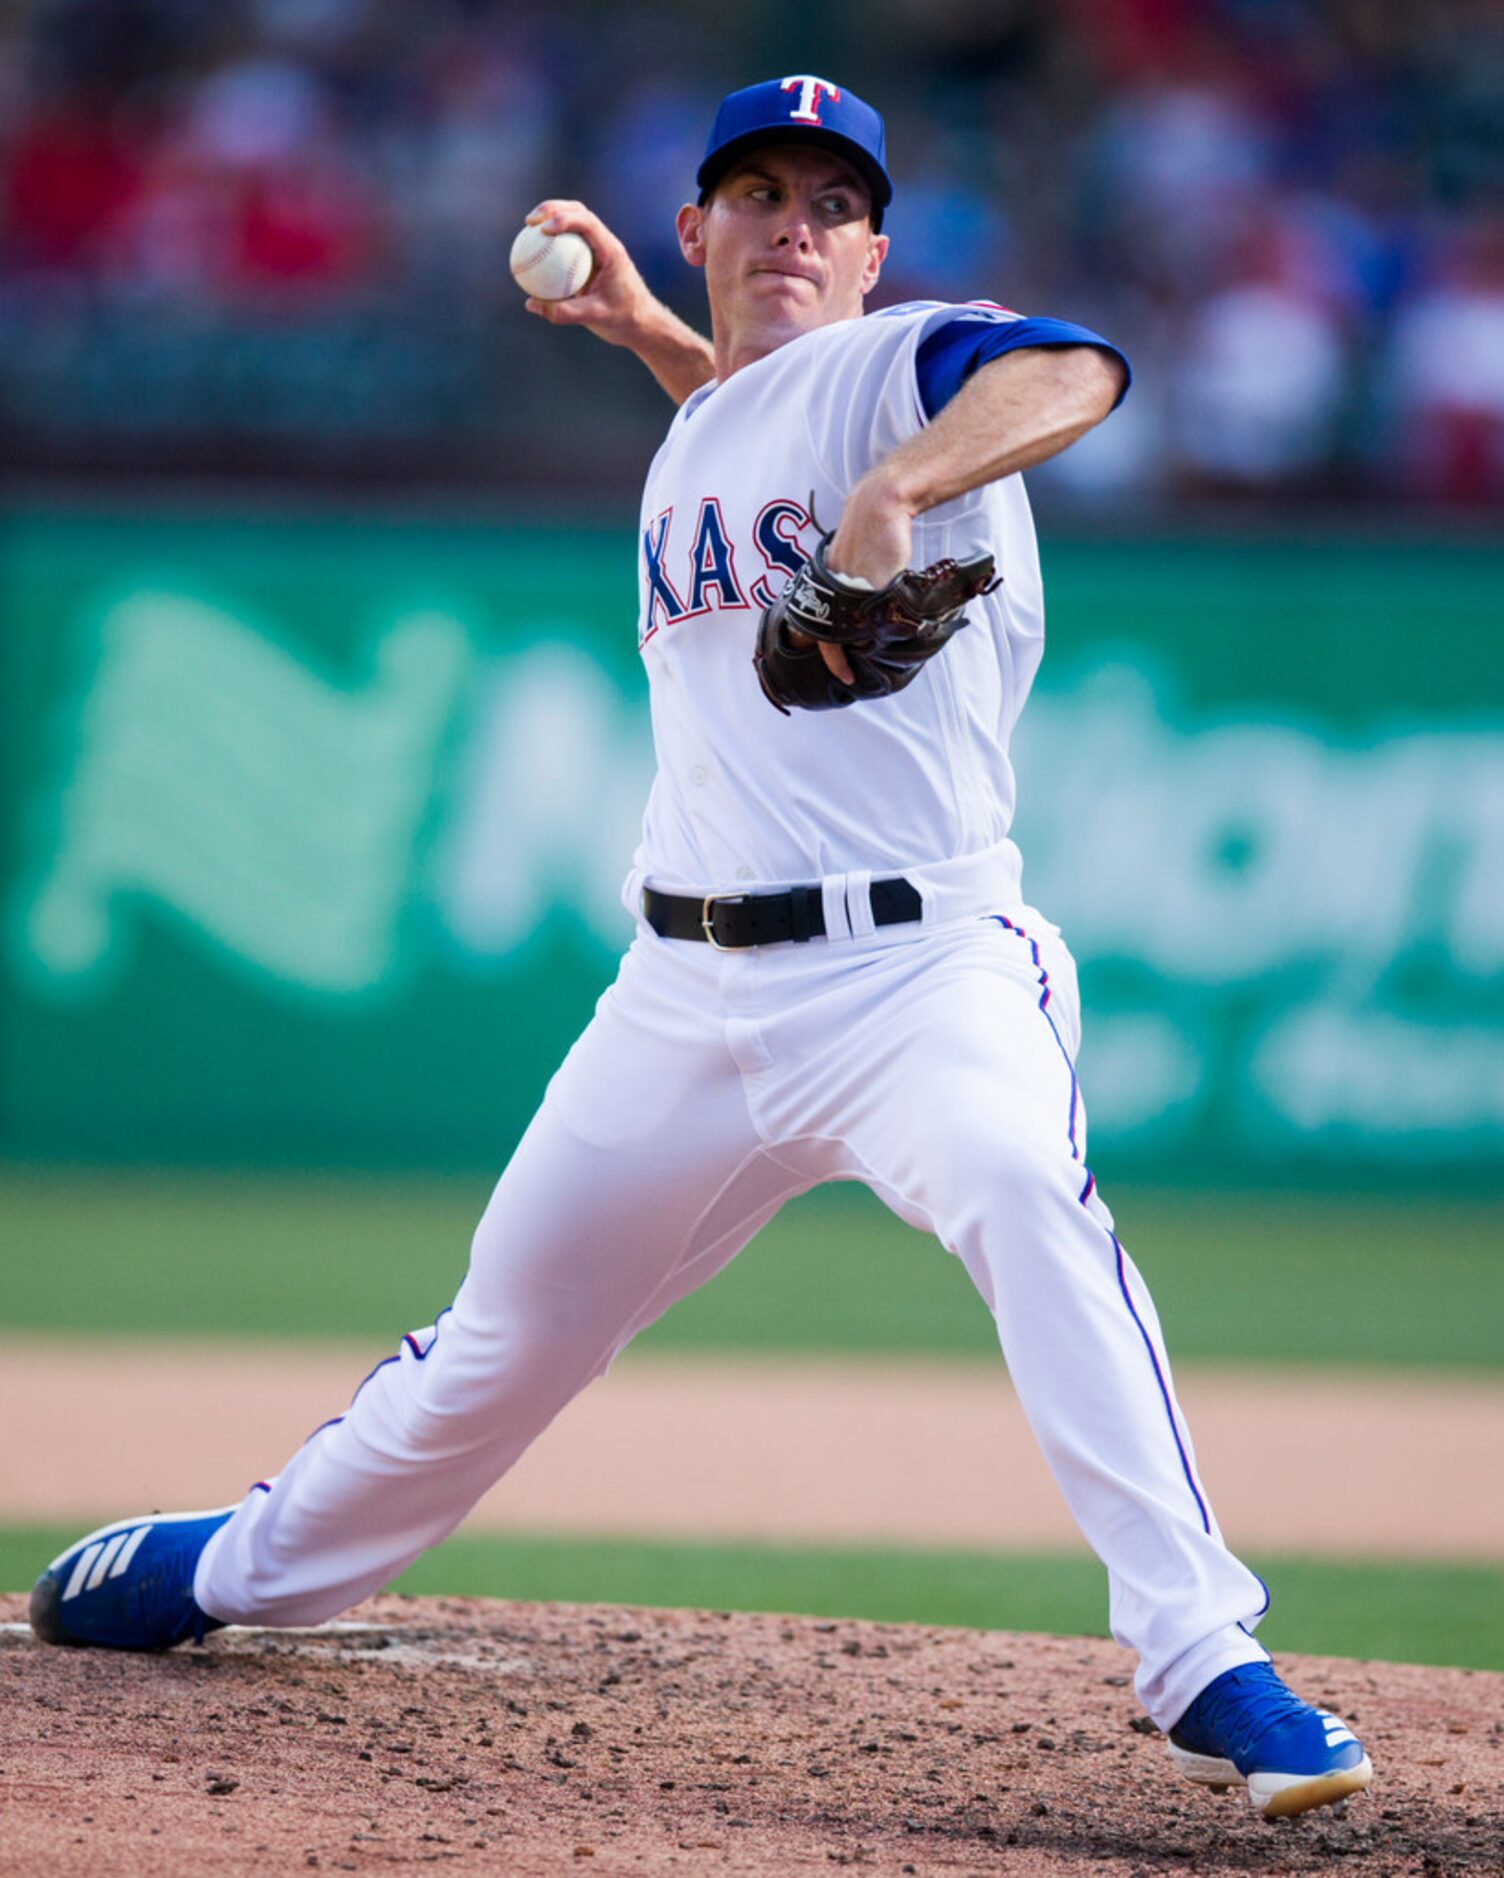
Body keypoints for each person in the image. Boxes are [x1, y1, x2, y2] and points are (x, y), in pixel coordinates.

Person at [32, 76, 1371, 1822]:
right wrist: (645, 332)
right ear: (702, 229)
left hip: (919, 975)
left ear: (879, 249)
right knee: (492, 1350)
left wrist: (900, 491)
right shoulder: (718, 417)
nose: (795, 223)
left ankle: (1207, 1657)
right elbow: (745, 419)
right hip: (680, 998)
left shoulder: (913, 365)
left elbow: (1080, 372)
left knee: (1023, 1193)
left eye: (832, 201)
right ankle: (244, 1567)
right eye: (758, 193)